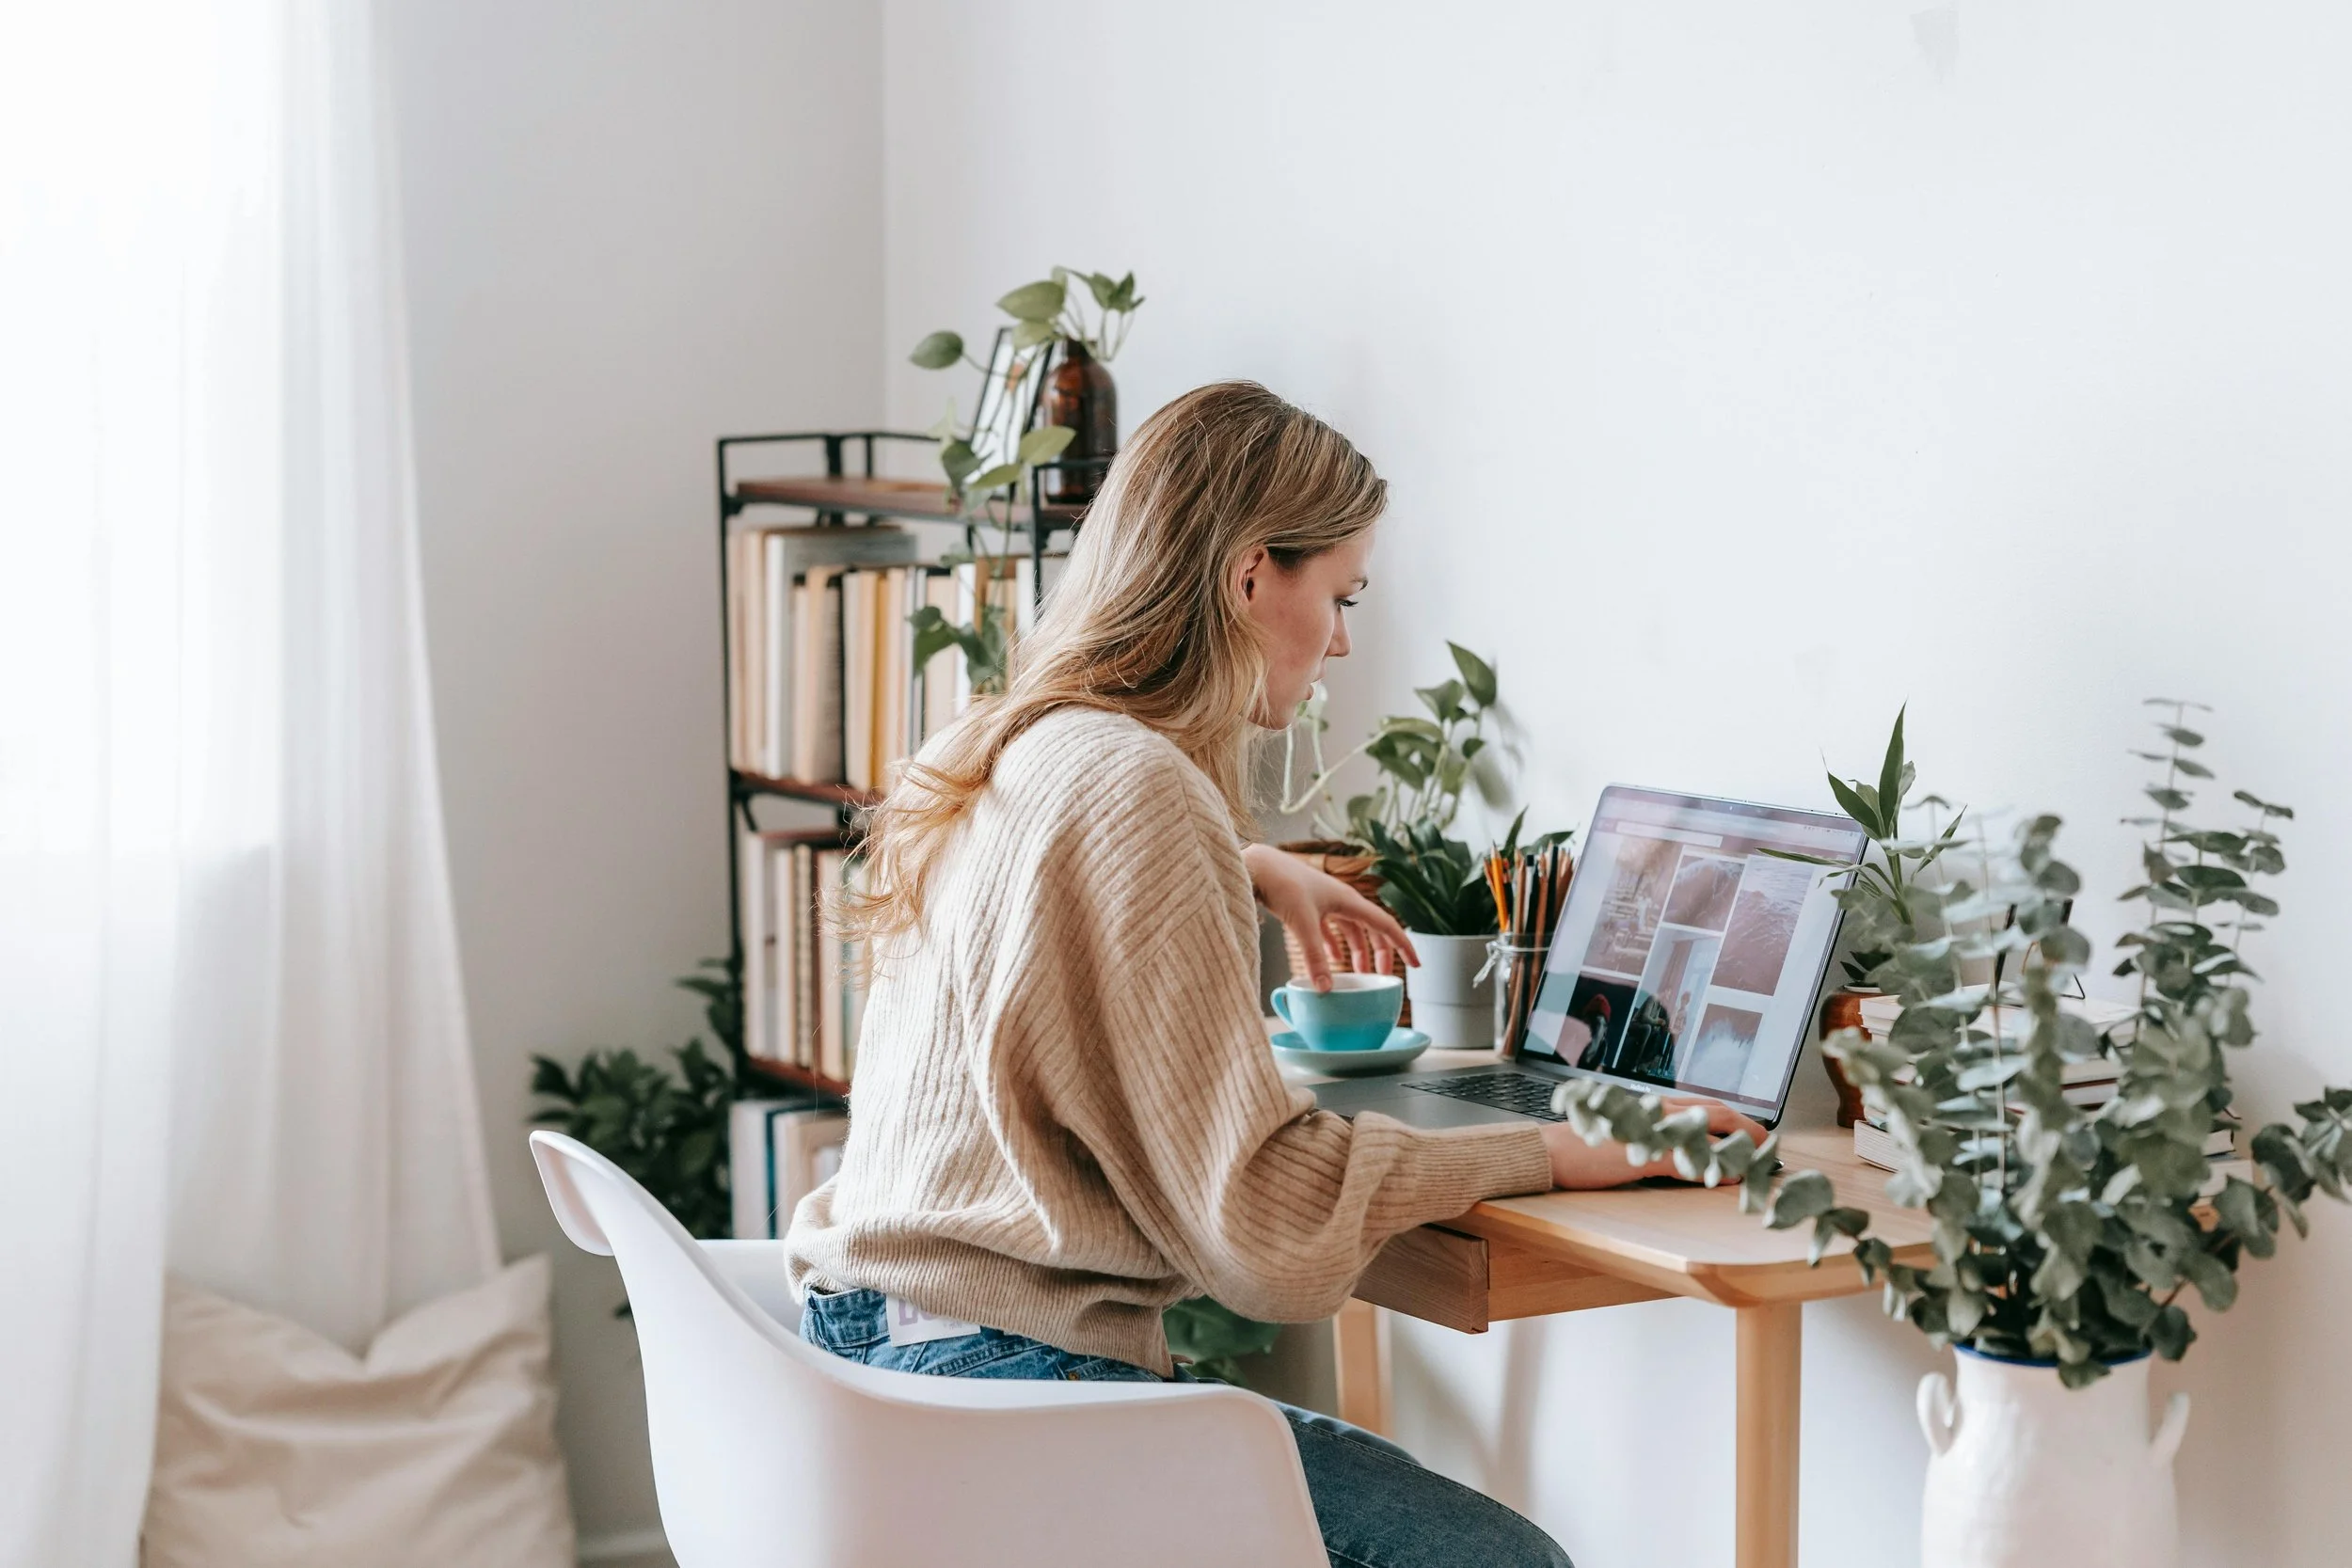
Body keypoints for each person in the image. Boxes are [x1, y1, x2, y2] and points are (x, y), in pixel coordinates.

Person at [786, 381, 1765, 1568]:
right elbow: (1263, 1225)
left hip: (872, 1346)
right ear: (1251, 577)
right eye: (1339, 594)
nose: (1343, 637)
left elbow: (1057, 877)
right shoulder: (1141, 791)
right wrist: (1559, 1149)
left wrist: (1252, 862)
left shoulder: (999, 740)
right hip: (998, 1382)